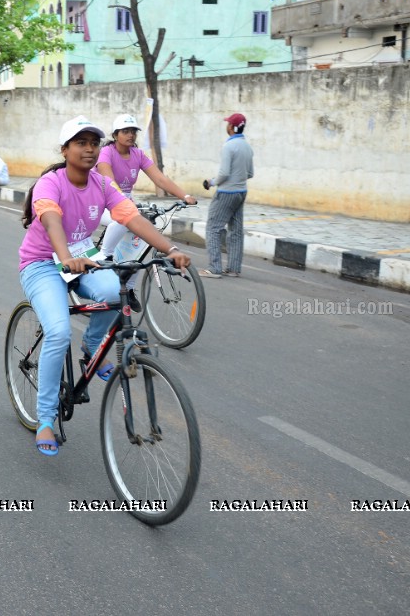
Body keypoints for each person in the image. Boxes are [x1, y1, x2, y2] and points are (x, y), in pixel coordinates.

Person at [18, 116, 191, 457]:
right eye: (80, 142)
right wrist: (65, 256)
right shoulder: (49, 183)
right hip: (42, 264)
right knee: (57, 332)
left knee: (116, 294)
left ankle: (93, 345)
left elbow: (133, 218)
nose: (89, 148)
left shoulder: (101, 183)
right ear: (65, 149)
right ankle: (46, 418)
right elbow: (51, 219)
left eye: (94, 142)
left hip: (84, 259)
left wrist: (169, 249)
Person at [96, 113, 197, 309]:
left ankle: (130, 289)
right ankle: (105, 256)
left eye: (133, 131)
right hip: (103, 200)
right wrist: (122, 200)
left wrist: (183, 196)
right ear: (116, 135)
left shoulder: (138, 154)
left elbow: (160, 179)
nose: (130, 135)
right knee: (121, 219)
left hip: (126, 202)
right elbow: (108, 180)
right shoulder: (106, 153)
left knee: (144, 237)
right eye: (125, 131)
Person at [201, 113, 254, 278]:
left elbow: (223, 174)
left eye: (228, 124)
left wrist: (210, 182)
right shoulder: (247, 147)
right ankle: (233, 268)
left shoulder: (229, 147)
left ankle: (215, 268)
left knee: (213, 228)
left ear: (231, 127)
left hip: (226, 193)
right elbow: (250, 173)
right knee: (236, 230)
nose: (227, 126)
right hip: (241, 192)